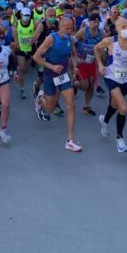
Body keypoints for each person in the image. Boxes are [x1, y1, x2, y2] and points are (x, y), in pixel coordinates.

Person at [95, 17, 127, 153]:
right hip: (111, 77)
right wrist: (100, 64)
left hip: (125, 80)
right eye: (123, 27)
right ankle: (120, 139)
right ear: (116, 29)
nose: (126, 29)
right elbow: (96, 48)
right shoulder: (110, 41)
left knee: (114, 105)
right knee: (123, 108)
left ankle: (104, 122)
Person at [33, 16, 83, 152]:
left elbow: (73, 54)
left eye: (71, 29)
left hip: (63, 75)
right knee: (49, 109)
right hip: (50, 75)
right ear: (59, 28)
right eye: (66, 28)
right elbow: (36, 57)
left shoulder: (70, 39)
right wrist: (51, 66)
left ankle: (70, 140)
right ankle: (40, 99)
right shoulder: (51, 39)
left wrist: (74, 65)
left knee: (71, 104)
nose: (69, 31)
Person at [74, 13, 103, 116]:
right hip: (81, 61)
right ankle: (75, 84)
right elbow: (72, 42)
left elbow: (102, 47)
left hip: (92, 62)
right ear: (89, 22)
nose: (95, 24)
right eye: (93, 22)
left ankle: (86, 106)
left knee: (91, 86)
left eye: (97, 22)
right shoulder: (83, 31)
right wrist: (76, 58)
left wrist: (101, 57)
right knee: (85, 85)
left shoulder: (100, 33)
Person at [15, 8, 37, 99]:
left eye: (28, 15)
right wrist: (17, 44)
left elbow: (38, 30)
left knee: (26, 70)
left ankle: (18, 71)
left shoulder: (33, 23)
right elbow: (15, 35)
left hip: (30, 49)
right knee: (22, 68)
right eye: (25, 15)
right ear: (21, 15)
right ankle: (22, 88)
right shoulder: (17, 23)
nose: (26, 17)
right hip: (21, 50)